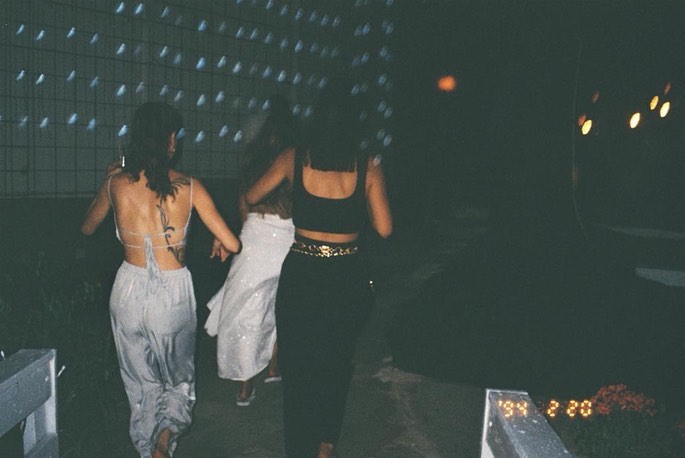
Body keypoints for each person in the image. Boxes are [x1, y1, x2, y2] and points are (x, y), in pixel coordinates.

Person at [81, 102, 241, 458]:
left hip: (127, 289)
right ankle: (165, 438)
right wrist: (218, 240)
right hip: (172, 292)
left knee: (140, 380)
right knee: (178, 377)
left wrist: (105, 183)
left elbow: (88, 226)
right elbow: (233, 243)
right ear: (170, 140)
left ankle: (146, 446)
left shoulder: (115, 184)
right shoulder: (189, 186)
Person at [245, 81, 393, 457]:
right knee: (336, 363)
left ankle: (300, 448)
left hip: (304, 272)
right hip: (346, 275)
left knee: (298, 367)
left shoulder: (293, 158)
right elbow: (384, 228)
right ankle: (326, 444)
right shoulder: (368, 167)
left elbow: (252, 194)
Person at [204, 94, 298, 406]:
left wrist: (246, 234)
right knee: (281, 306)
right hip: (289, 238)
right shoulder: (295, 159)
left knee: (246, 312)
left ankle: (245, 387)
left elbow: (244, 204)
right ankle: (273, 367)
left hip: (256, 237)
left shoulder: (251, 161)